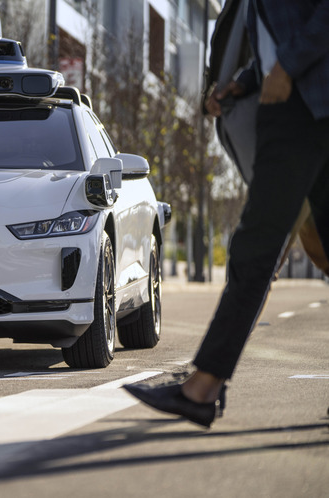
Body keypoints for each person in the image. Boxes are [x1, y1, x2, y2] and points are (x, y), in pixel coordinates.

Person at [124, 0, 329, 428]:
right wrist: (242, 83)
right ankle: (204, 385)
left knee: (256, 247)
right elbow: (282, 36)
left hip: (300, 108)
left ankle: (203, 387)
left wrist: (285, 69)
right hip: (302, 101)